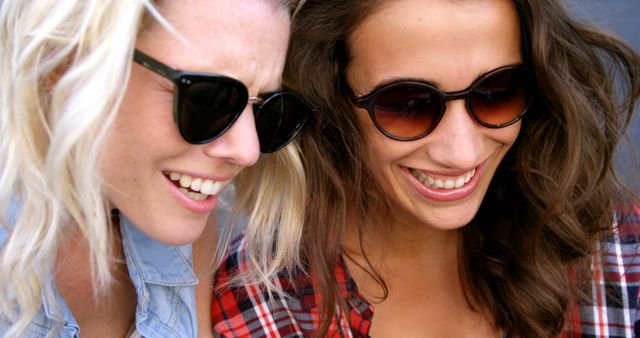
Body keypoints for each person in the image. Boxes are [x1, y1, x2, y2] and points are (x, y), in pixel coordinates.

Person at [211, 0, 640, 337]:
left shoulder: (618, 250)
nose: (461, 151)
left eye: (497, 92)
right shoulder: (259, 304)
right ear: (332, 101)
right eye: (407, 105)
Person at [0, 0, 311, 337]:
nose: (248, 151)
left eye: (266, 108)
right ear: (64, 64)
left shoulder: (190, 221)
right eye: (207, 99)